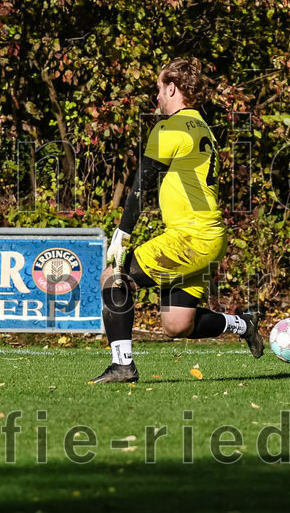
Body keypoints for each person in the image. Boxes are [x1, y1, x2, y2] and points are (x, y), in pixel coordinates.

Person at [91, 58, 263, 384]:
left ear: (172, 88)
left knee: (113, 278)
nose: (156, 97)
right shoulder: (202, 126)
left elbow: (142, 181)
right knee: (177, 324)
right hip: (208, 237)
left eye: (158, 88)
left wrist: (123, 232)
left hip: (190, 238)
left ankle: (122, 365)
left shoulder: (170, 127)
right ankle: (244, 324)